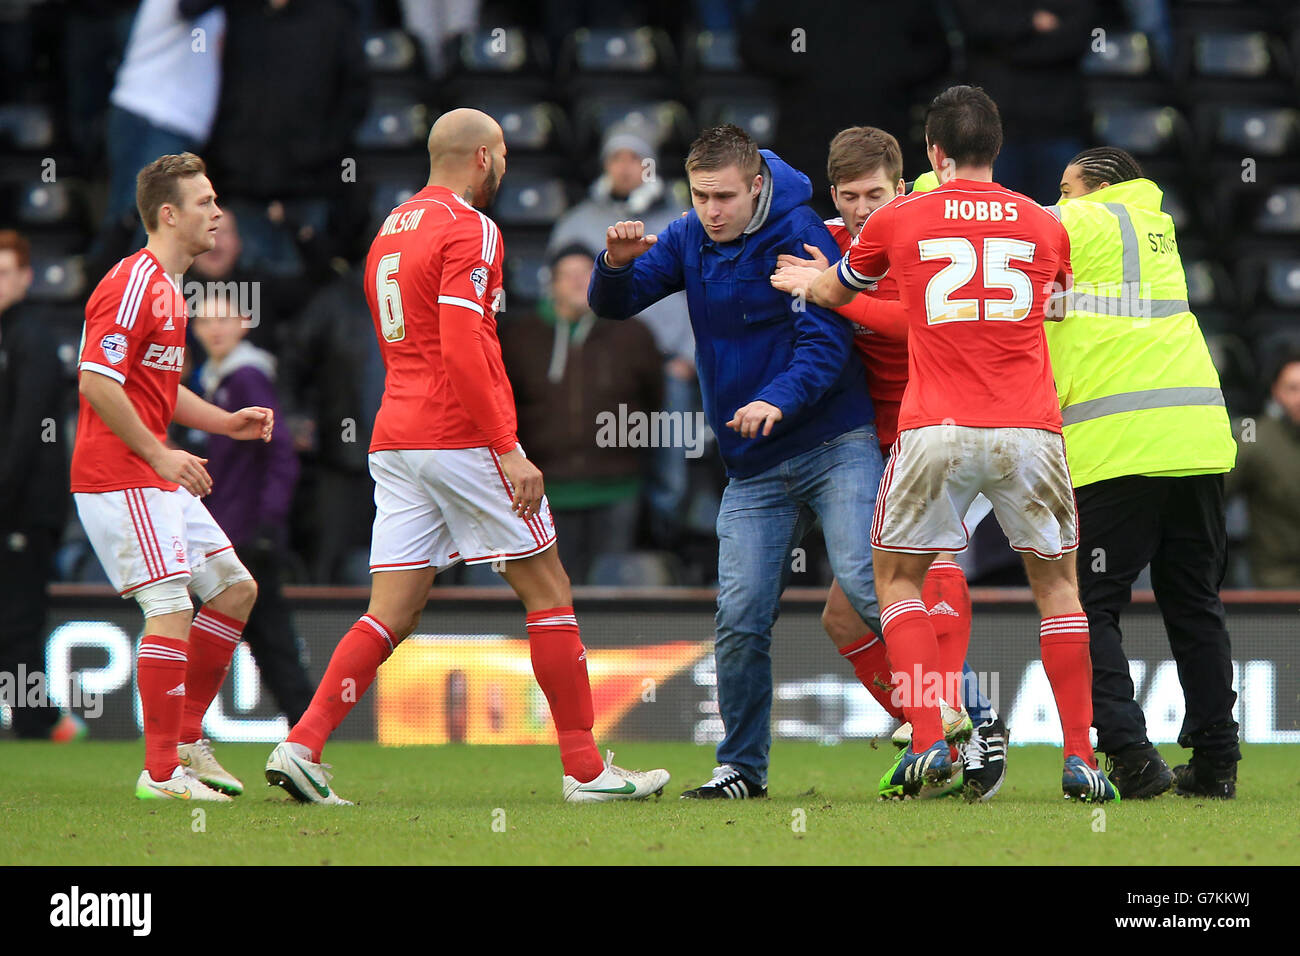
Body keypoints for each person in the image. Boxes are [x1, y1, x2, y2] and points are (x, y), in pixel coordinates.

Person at [264, 109, 669, 805]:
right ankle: (586, 771)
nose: (507, 166)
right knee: (548, 589)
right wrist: (508, 448)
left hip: (396, 437)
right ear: (483, 157)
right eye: (504, 153)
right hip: (458, 433)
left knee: (391, 609)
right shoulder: (471, 228)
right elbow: (459, 344)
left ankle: (302, 744)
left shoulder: (389, 231)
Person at [776, 86, 1117, 802]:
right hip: (1029, 426)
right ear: (995, 147)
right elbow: (1054, 304)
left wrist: (814, 282)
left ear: (933, 153)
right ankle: (1081, 760)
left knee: (896, 578)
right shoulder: (1043, 223)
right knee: (1058, 589)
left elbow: (845, 292)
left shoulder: (901, 216)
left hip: (935, 424)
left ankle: (930, 741)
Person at [589, 124, 885, 799]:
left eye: (723, 196)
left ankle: (968, 721)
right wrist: (614, 265)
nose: (711, 211)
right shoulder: (691, 235)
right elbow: (617, 306)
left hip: (835, 444)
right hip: (753, 467)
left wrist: (776, 401)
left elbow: (825, 344)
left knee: (869, 587)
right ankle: (742, 771)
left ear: (757, 186)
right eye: (699, 197)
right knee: (741, 617)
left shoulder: (800, 230)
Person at [775, 127, 1008, 800]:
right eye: (848, 195)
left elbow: (920, 322)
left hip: (942, 426)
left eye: (874, 193)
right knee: (844, 621)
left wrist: (829, 292)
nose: (859, 207)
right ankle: (936, 730)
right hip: (867, 440)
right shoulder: (824, 238)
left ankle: (965, 720)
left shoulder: (919, 233)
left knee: (930, 565)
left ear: (900, 187)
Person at [72, 153, 275, 801]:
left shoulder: (168, 288)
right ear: (168, 214)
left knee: (237, 589)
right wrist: (159, 455)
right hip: (119, 475)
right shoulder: (133, 283)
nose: (216, 213)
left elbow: (159, 389)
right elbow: (96, 382)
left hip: (150, 475)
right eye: (205, 202)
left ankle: (186, 742)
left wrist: (226, 422)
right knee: (169, 605)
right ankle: (161, 773)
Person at [1047, 146, 1240, 798]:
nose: (1061, 198)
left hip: (1120, 449)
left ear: (1098, 185)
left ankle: (1130, 753)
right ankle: (1216, 763)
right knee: (1195, 605)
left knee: (1087, 604)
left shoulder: (1083, 222)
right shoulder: (1157, 231)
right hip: (1197, 443)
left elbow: (1002, 225)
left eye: (1067, 187)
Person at [548, 124, 699, 546]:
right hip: (599, 366)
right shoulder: (577, 223)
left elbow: (699, 291)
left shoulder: (678, 223)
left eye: (635, 158)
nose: (625, 168)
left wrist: (688, 355)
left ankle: (664, 545)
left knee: (670, 460)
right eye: (616, 158)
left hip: (669, 362)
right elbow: (561, 291)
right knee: (609, 454)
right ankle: (619, 549)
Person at [500, 244, 663, 584]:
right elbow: (503, 412)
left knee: (612, 595)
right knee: (554, 592)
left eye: (586, 274)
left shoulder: (633, 334)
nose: (577, 283)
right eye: (568, 276)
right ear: (551, 284)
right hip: (544, 493)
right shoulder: (519, 338)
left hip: (618, 489)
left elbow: (654, 407)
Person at [191, 291, 313, 724]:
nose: (214, 329)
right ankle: (307, 723)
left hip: (245, 533)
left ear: (244, 322)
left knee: (263, 634)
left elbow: (280, 452)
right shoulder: (220, 379)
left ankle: (179, 727)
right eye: (205, 321)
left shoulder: (244, 378)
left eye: (223, 319)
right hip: (234, 529)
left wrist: (267, 522)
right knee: (267, 635)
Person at [0, 230, 80, 742]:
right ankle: (41, 718)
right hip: (13, 504)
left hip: (25, 508)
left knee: (19, 619)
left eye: (5, 273)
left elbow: (28, 430)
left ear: (27, 278)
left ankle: (39, 723)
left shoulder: (32, 335)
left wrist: (5, 498)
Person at [1226, 351, 1300, 589]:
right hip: (1277, 587)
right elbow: (1209, 501)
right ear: (1276, 392)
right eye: (1293, 388)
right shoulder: (1256, 440)